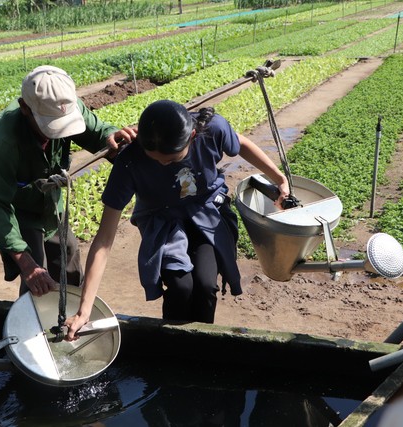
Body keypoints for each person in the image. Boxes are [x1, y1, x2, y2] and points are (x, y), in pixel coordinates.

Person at [65, 100, 289, 338]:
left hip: (207, 210)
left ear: (192, 136)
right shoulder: (130, 160)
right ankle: (174, 345)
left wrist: (279, 178)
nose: (163, 164)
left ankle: (201, 345)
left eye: (171, 160)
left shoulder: (212, 130)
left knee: (205, 285)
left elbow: (240, 143)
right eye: (155, 159)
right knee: (181, 287)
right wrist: (84, 310)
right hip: (163, 220)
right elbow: (104, 238)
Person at [0, 65, 136, 297]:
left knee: (68, 253)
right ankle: (33, 324)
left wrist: (110, 137)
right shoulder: (3, 141)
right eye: (51, 126)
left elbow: (97, 132)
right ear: (25, 108)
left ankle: (73, 315)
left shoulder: (65, 105)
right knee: (36, 270)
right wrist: (26, 264)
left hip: (50, 199)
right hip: (20, 204)